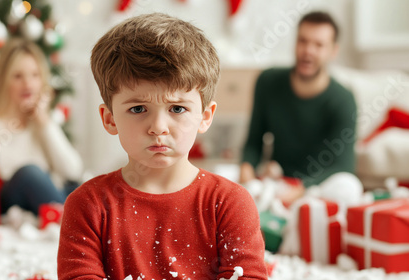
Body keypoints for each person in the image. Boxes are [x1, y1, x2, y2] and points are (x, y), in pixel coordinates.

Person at [58, 13, 267, 280]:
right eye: (138, 108)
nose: (158, 126)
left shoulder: (230, 204)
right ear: (109, 119)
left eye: (177, 108)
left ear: (205, 117)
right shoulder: (87, 206)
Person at [240, 11, 358, 204]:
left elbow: (343, 166)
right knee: (215, 178)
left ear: (333, 51)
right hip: (276, 182)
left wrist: (301, 191)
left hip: (314, 189)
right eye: (303, 41)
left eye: (318, 45)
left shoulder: (344, 99)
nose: (308, 50)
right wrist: (246, 171)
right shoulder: (267, 81)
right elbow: (254, 141)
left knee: (349, 186)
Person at [0, 38, 83, 216]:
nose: (28, 84)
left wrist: (44, 123)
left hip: (46, 196)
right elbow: (5, 170)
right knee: (30, 174)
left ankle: (76, 221)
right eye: (18, 76)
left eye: (35, 75)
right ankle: (75, 224)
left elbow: (73, 171)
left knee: (81, 189)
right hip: (12, 199)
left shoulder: (43, 123)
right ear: (3, 81)